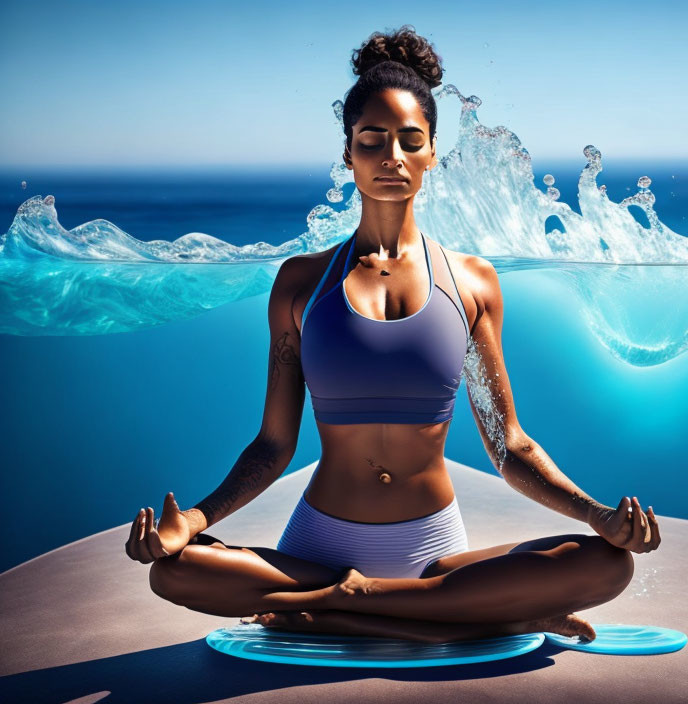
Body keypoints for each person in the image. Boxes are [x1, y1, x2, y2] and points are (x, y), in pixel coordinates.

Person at [124, 25, 660, 645]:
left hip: (432, 550)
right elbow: (273, 445)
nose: (392, 157)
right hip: (317, 550)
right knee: (173, 572)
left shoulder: (472, 284)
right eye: (372, 140)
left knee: (604, 562)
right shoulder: (300, 284)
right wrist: (192, 519)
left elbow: (509, 446)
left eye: (411, 141)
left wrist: (598, 516)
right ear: (348, 152)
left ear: (433, 152)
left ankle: (344, 610)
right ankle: (450, 617)